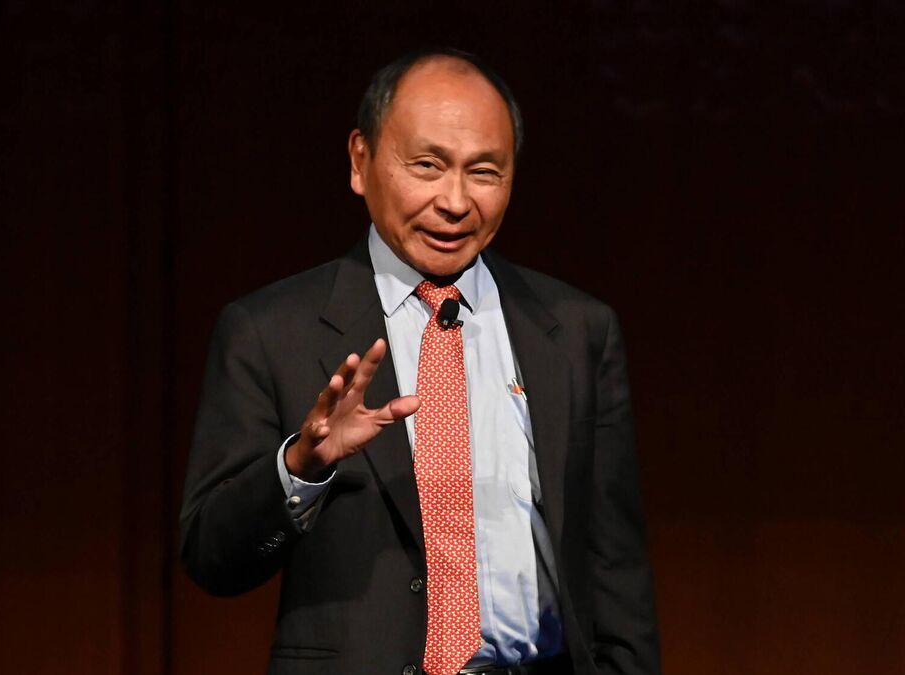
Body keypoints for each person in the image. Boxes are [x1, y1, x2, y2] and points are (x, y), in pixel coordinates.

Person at [179, 47, 660, 675]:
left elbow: (615, 570)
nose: (455, 201)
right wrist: (301, 469)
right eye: (427, 165)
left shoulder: (576, 331)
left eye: (484, 172)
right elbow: (212, 559)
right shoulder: (270, 332)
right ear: (361, 161)